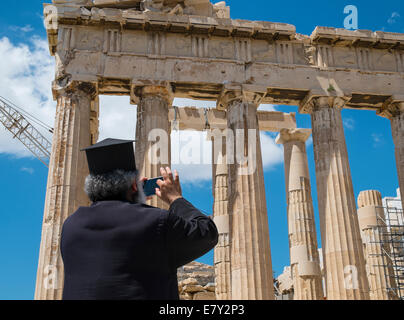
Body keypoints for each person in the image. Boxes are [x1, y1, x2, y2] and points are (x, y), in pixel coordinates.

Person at [60, 138, 219, 300]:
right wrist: (175, 198)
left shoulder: (70, 227)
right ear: (135, 186)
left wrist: (133, 198)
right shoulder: (155, 222)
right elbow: (207, 233)